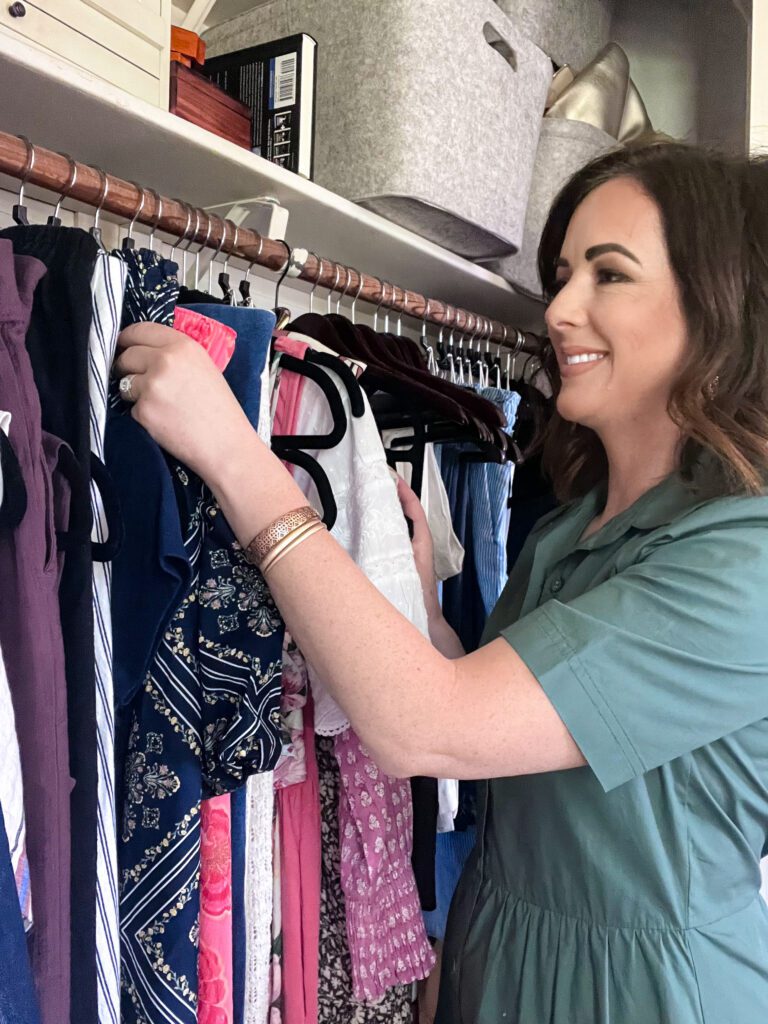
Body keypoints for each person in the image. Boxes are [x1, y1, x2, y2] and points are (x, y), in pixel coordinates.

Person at [114, 143, 768, 1023]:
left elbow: (430, 728)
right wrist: (425, 614)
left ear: (718, 306)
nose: (560, 310)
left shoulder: (743, 565)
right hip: (500, 947)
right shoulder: (576, 527)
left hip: (646, 989)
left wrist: (235, 456)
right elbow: (509, 724)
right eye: (562, 276)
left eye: (610, 275)